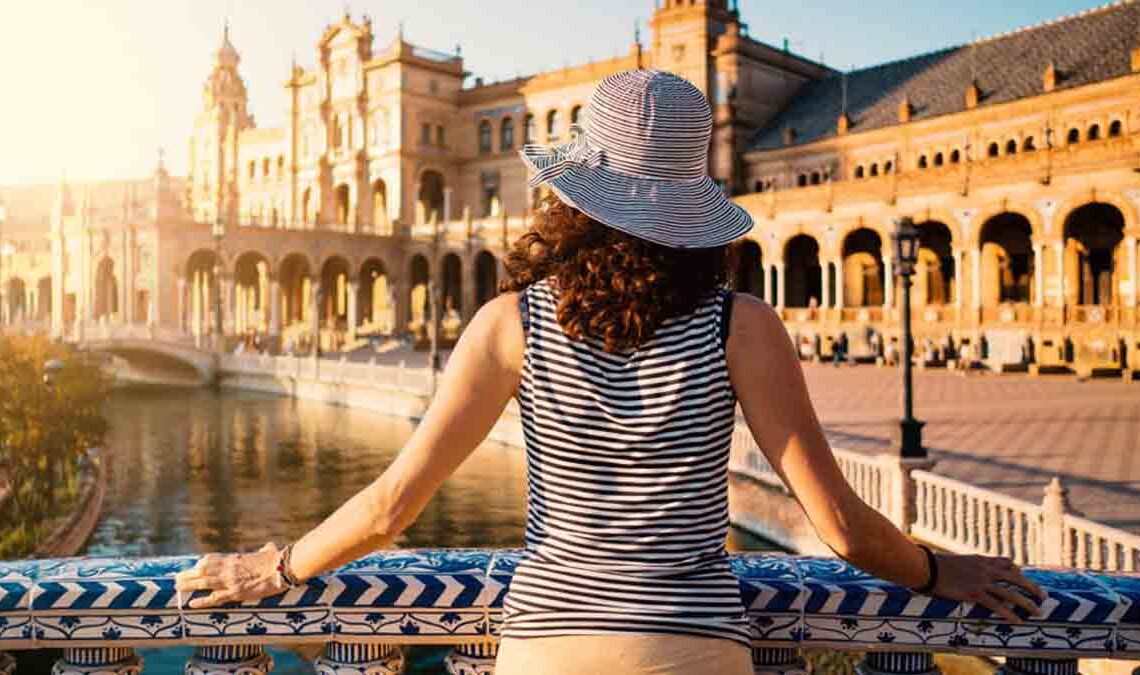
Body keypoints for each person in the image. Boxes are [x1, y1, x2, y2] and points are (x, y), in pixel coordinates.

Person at [174, 70, 1044, 674]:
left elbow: (388, 508)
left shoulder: (507, 326)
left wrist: (275, 568)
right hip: (695, 648)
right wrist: (942, 573)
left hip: (549, 650)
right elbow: (845, 531)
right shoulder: (743, 328)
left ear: (578, 190)